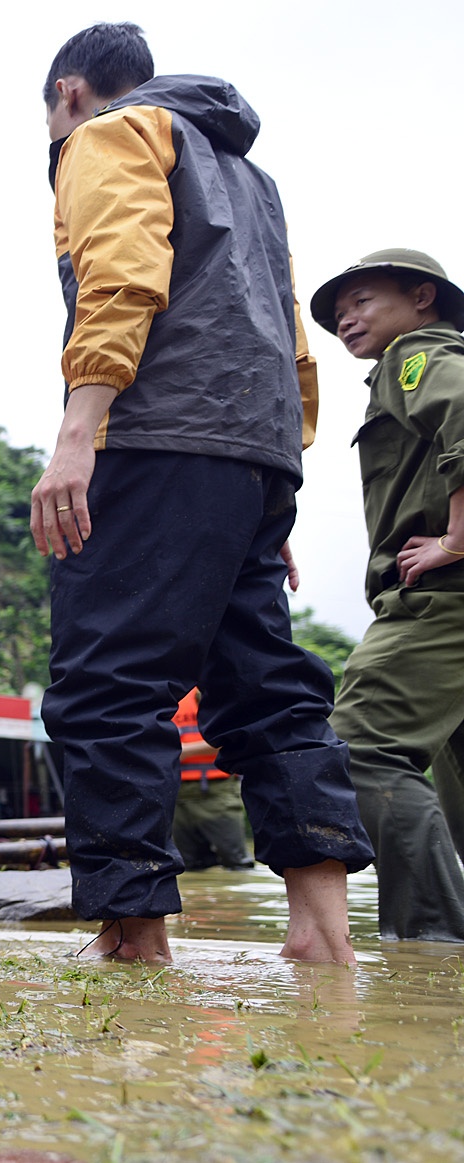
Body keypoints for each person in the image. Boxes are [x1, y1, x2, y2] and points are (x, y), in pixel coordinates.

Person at [32, 23, 372, 963]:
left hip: (155, 436)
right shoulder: (246, 172)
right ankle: (323, 933)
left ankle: (132, 937)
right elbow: (289, 333)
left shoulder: (110, 134)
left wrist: (77, 432)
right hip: (252, 455)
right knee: (266, 688)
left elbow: (121, 274)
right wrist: (267, 492)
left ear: (69, 91)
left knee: (108, 682)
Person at [312, 249, 464, 941]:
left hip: (442, 598)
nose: (347, 317)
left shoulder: (419, 357)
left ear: (422, 296)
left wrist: (456, 540)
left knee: (363, 747)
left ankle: (431, 943)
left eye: (363, 300)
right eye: (339, 312)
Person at [170, 688, 253, 872]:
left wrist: (180, 752)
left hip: (217, 790)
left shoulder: (214, 689)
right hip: (177, 794)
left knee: (237, 864)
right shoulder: (168, 695)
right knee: (188, 866)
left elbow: (235, 738)